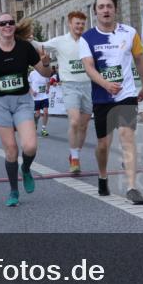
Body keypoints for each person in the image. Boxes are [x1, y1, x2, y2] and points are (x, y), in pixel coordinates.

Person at [0, 13, 55, 207]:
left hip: (22, 101)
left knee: (30, 146)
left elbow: (45, 73)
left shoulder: (25, 47)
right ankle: (14, 190)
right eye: (3, 23)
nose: (7, 25)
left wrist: (47, 62)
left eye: (10, 23)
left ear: (14, 26)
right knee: (11, 150)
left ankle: (25, 168)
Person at [79, 0, 143, 204]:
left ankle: (131, 186)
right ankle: (102, 176)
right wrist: (105, 84)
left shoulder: (129, 33)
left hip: (126, 94)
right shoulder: (87, 38)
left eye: (109, 6)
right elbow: (89, 68)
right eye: (101, 7)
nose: (105, 10)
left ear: (115, 9)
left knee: (127, 138)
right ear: (95, 12)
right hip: (102, 97)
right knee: (103, 144)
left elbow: (140, 60)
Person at [42, 11, 94, 174]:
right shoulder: (59, 41)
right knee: (74, 122)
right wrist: (27, 40)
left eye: (81, 23)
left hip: (88, 85)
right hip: (70, 85)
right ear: (69, 24)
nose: (79, 26)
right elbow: (40, 45)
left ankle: (74, 154)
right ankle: (75, 158)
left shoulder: (88, 41)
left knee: (84, 125)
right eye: (76, 23)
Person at [29, 67, 51, 137]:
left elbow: (48, 82)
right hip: (36, 98)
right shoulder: (32, 73)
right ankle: (35, 124)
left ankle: (43, 129)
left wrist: (48, 88)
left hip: (44, 96)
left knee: (46, 112)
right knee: (37, 114)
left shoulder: (45, 72)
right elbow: (28, 84)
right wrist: (32, 92)